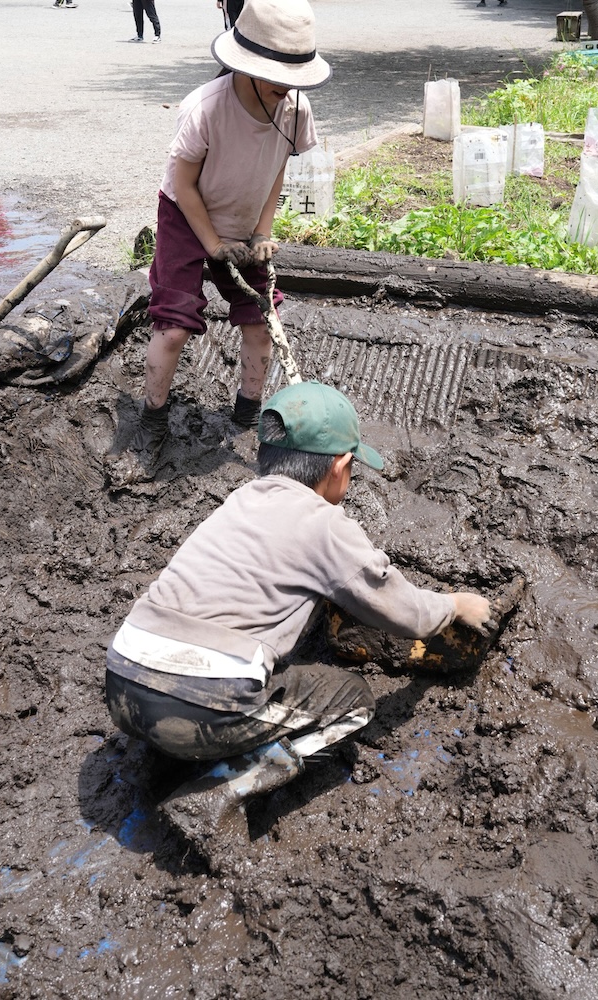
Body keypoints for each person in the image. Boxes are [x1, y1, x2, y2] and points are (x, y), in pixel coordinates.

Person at [105, 382, 494, 791]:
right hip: (204, 702)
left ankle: (172, 751)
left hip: (121, 686)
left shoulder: (239, 500)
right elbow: (408, 614)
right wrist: (455, 605)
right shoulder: (323, 524)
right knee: (354, 703)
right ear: (340, 467)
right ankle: (223, 788)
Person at [126, 0, 330, 474]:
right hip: (186, 212)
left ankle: (248, 409)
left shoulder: (295, 108)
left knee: (261, 318)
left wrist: (261, 230)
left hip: (244, 215)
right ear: (247, 65)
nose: (287, 91)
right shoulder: (205, 108)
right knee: (174, 324)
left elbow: (276, 168)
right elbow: (183, 185)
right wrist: (214, 245)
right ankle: (152, 418)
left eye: (293, 82)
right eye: (278, 81)